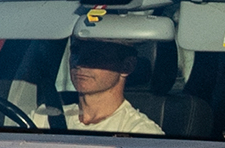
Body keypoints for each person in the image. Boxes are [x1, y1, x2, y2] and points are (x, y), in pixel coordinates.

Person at [35, 38, 163, 134]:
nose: (80, 62)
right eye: (76, 52)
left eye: (95, 54)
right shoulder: (44, 117)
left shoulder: (140, 132)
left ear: (127, 66)